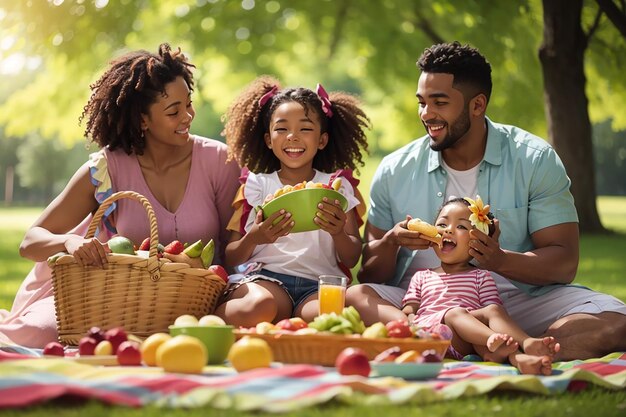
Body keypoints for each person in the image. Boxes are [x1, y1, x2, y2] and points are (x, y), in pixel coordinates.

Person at [347, 41, 626, 361]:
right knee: (357, 296)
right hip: (423, 302)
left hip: (517, 301)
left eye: (439, 102)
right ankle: (506, 346)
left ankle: (484, 341)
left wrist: (500, 260)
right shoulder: (395, 169)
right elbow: (370, 274)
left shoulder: (533, 159)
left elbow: (564, 263)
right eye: (422, 102)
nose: (427, 114)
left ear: (477, 105)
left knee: (617, 324)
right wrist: (392, 241)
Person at [0, 43, 240, 348]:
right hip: (114, 299)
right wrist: (69, 242)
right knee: (43, 334)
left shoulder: (218, 161)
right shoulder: (106, 168)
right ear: (142, 119)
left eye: (188, 104)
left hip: (192, 300)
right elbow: (30, 242)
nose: (188, 116)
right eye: (173, 111)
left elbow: (230, 251)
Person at [214, 76, 369, 327]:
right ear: (268, 139)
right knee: (260, 306)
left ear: (322, 140)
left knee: (328, 318)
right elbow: (231, 255)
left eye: (305, 129)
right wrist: (255, 237)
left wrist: (339, 233)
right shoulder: (256, 185)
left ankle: (287, 327)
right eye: (282, 128)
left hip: (319, 286)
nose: (293, 137)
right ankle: (206, 324)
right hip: (267, 280)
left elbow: (351, 258)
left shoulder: (337, 186)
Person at [402, 197, 558, 375]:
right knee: (456, 313)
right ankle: (494, 342)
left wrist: (491, 330)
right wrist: (410, 320)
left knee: (493, 310)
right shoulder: (422, 276)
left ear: (478, 242)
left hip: (470, 340)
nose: (449, 231)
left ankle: (523, 352)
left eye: (461, 226)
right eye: (443, 224)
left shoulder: (481, 276)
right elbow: (408, 310)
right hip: (434, 336)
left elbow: (493, 313)